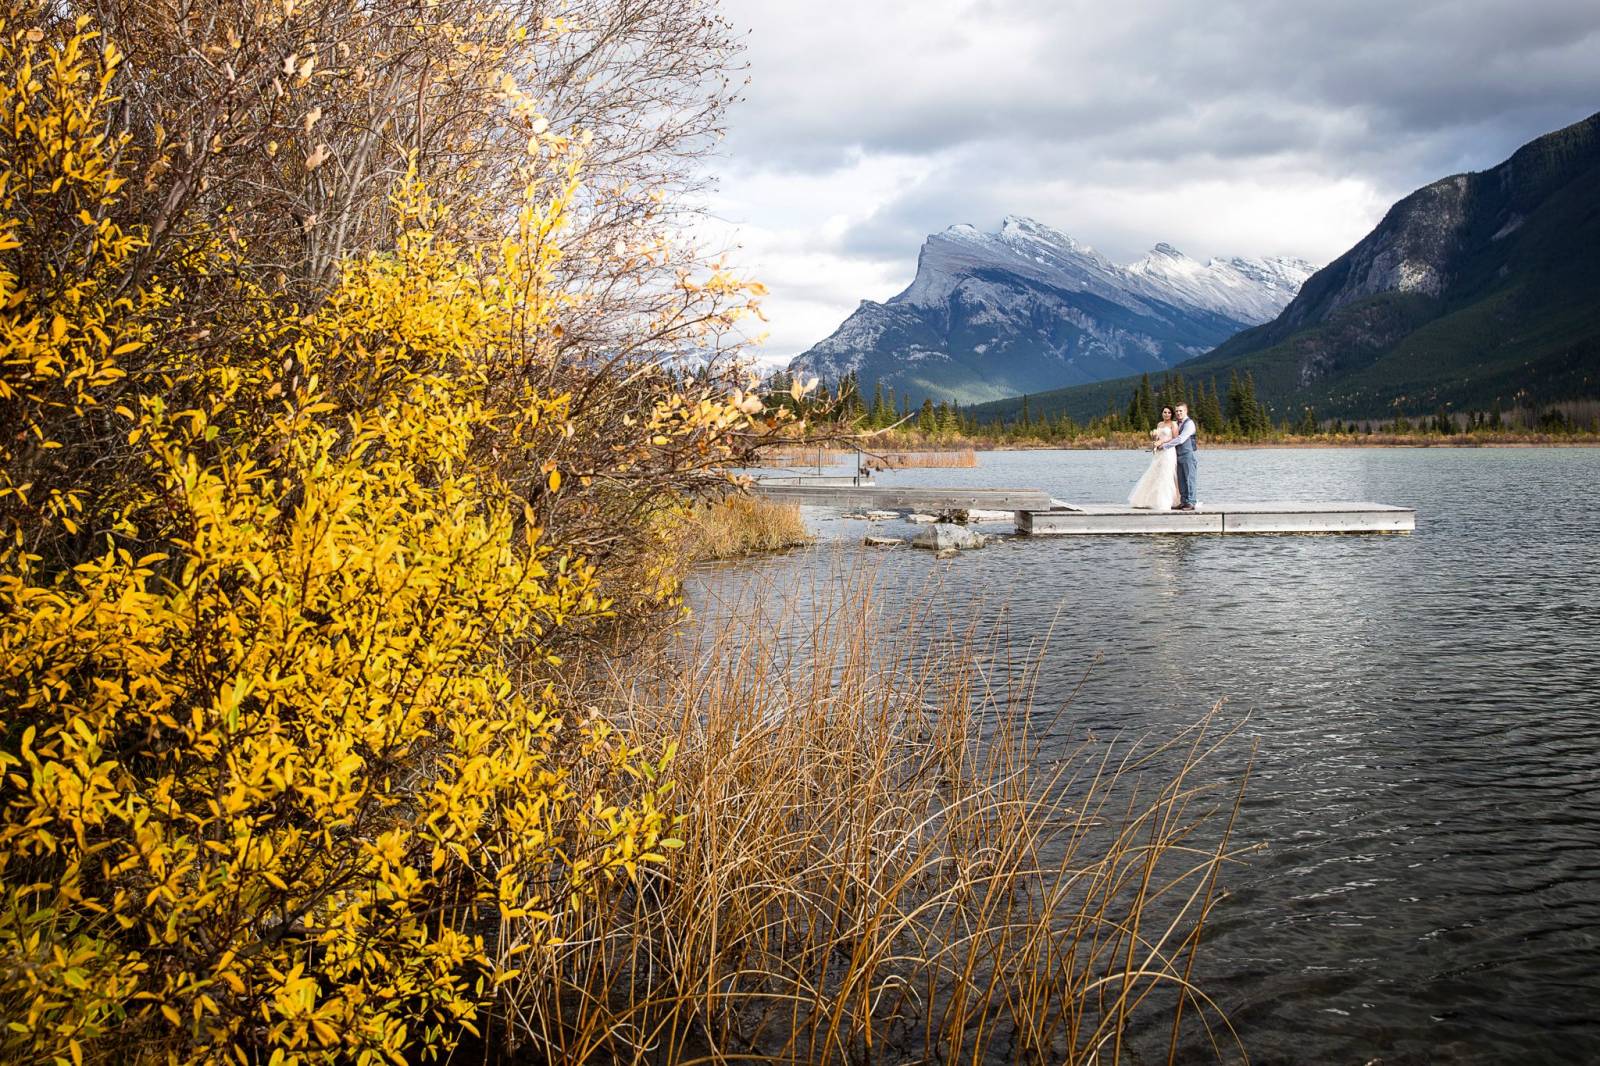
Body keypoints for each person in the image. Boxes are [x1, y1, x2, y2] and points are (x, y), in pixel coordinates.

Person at [1128, 405, 1180, 510]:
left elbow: (1175, 438)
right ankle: (1150, 500)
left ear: (1171, 414)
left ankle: (1168, 501)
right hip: (1159, 452)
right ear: (1162, 413)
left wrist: (1162, 442)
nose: (1167, 414)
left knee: (1167, 474)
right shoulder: (1159, 424)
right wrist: (1155, 441)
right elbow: (1158, 437)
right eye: (1165, 412)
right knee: (1156, 474)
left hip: (1169, 452)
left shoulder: (1173, 424)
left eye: (1169, 412)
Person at [1158, 401, 1198, 511]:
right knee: (1180, 480)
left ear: (1186, 411)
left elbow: (1181, 439)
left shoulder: (1189, 424)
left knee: (1190, 478)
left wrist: (1165, 446)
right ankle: (1183, 502)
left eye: (1181, 411)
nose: (1178, 413)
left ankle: (1191, 502)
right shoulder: (1176, 423)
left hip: (1187, 454)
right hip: (1177, 455)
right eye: (1177, 411)